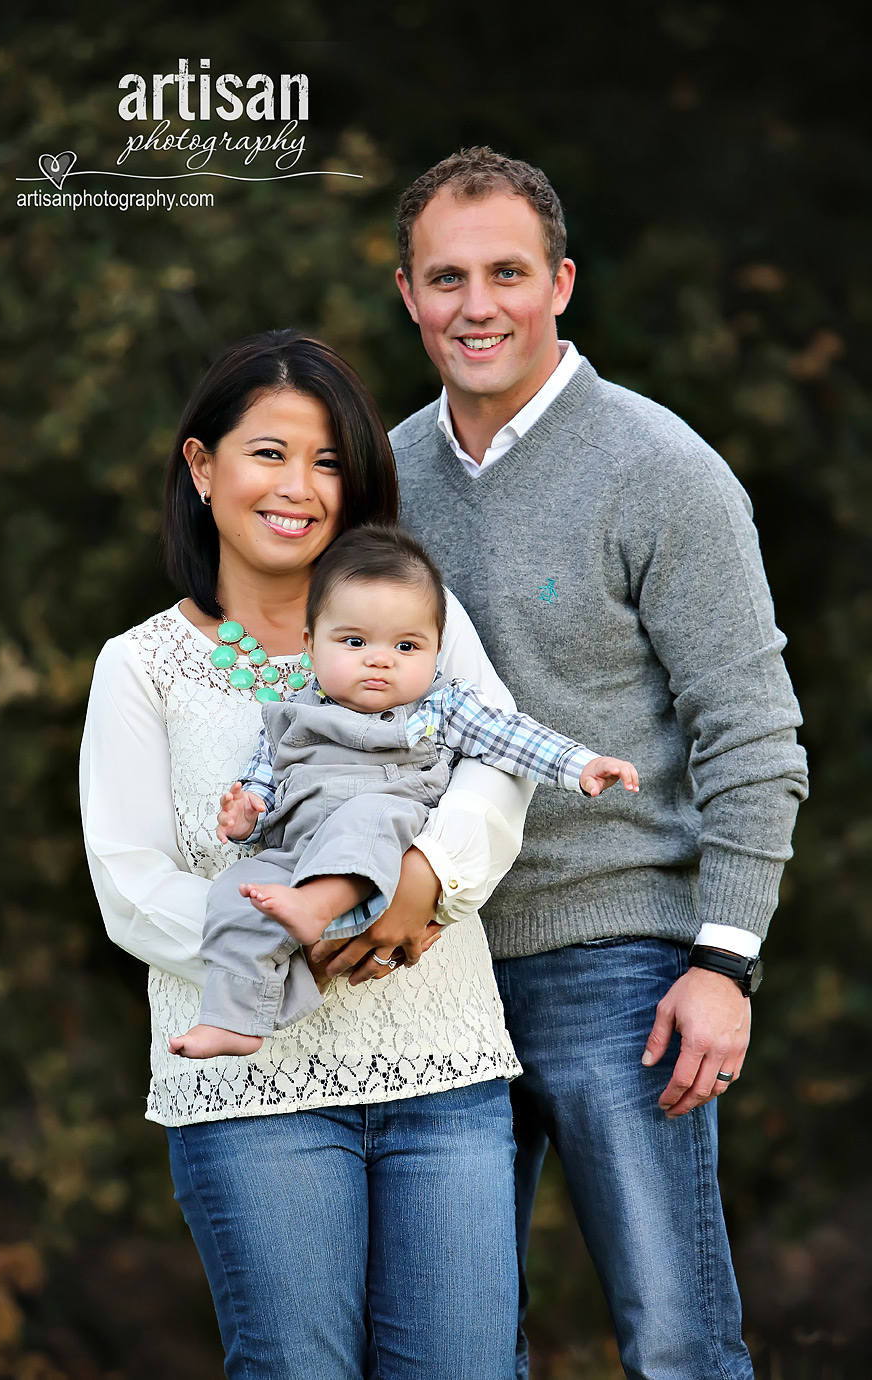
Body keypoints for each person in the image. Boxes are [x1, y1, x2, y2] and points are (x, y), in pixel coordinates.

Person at [387, 148, 809, 1379]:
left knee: (675, 1340)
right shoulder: (386, 478)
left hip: (615, 964)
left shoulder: (656, 467)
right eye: (446, 277)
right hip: (436, 960)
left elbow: (751, 728)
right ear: (406, 296)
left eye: (506, 272)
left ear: (559, 283)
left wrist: (722, 959)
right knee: (454, 1351)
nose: (478, 305)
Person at [79, 329, 536, 1379]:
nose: (300, 487)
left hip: (442, 1074)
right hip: (250, 1100)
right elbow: (129, 882)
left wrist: (413, 889)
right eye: (269, 453)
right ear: (202, 469)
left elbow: (495, 765)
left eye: (329, 460)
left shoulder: (414, 617)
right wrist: (290, 942)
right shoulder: (142, 667)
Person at [169, 523, 639, 1060]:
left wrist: (578, 764)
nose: (380, 658)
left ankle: (317, 906)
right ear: (310, 644)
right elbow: (264, 777)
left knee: (368, 814)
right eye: (354, 641)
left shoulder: (442, 705)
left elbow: (512, 736)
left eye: (407, 645)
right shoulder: (294, 709)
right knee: (234, 893)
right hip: (293, 851)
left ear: (437, 651)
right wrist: (247, 814)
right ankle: (235, 1018)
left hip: (380, 834)